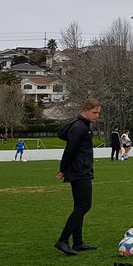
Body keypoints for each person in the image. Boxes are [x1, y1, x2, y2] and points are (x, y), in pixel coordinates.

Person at [55, 98, 101, 255]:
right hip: (79, 171)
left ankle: (78, 242)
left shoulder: (83, 126)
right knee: (84, 206)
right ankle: (63, 240)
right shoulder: (80, 127)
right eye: (94, 112)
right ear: (85, 110)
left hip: (82, 170)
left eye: (98, 113)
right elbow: (70, 150)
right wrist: (62, 169)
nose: (97, 116)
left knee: (79, 206)